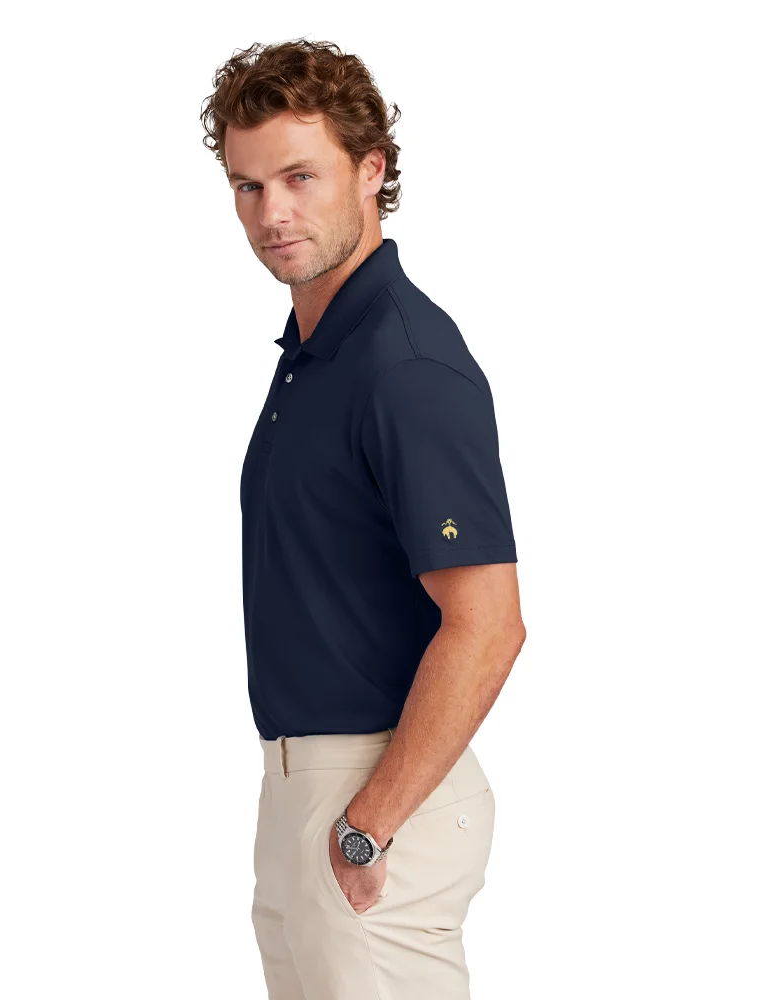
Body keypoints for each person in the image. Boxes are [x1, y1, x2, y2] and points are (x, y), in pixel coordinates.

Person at [201, 38, 526, 1000]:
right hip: (302, 791)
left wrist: (366, 826)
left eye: (300, 177)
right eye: (248, 185)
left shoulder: (405, 363)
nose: (272, 213)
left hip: (378, 800)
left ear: (371, 169)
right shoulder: (314, 356)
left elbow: (490, 625)